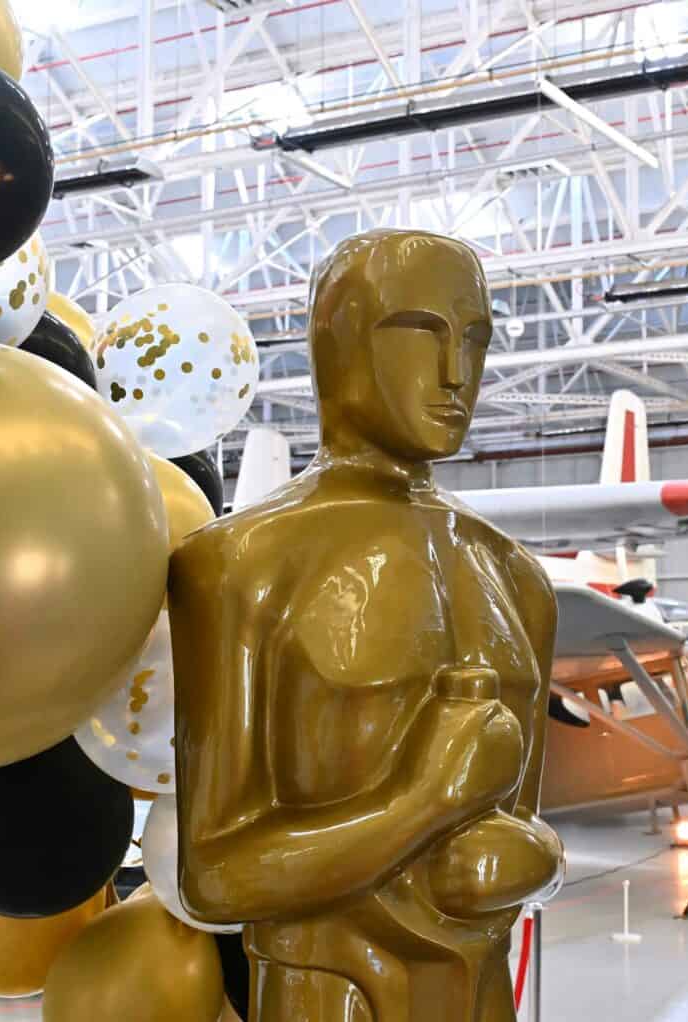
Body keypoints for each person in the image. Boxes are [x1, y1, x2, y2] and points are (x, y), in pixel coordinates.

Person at [169, 229, 563, 1021]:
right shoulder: (241, 564)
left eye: (475, 339)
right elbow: (214, 876)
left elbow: (524, 825)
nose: (458, 374)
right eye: (419, 332)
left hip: (483, 992)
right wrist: (421, 805)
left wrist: (536, 859)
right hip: (330, 993)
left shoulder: (518, 579)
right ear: (335, 344)